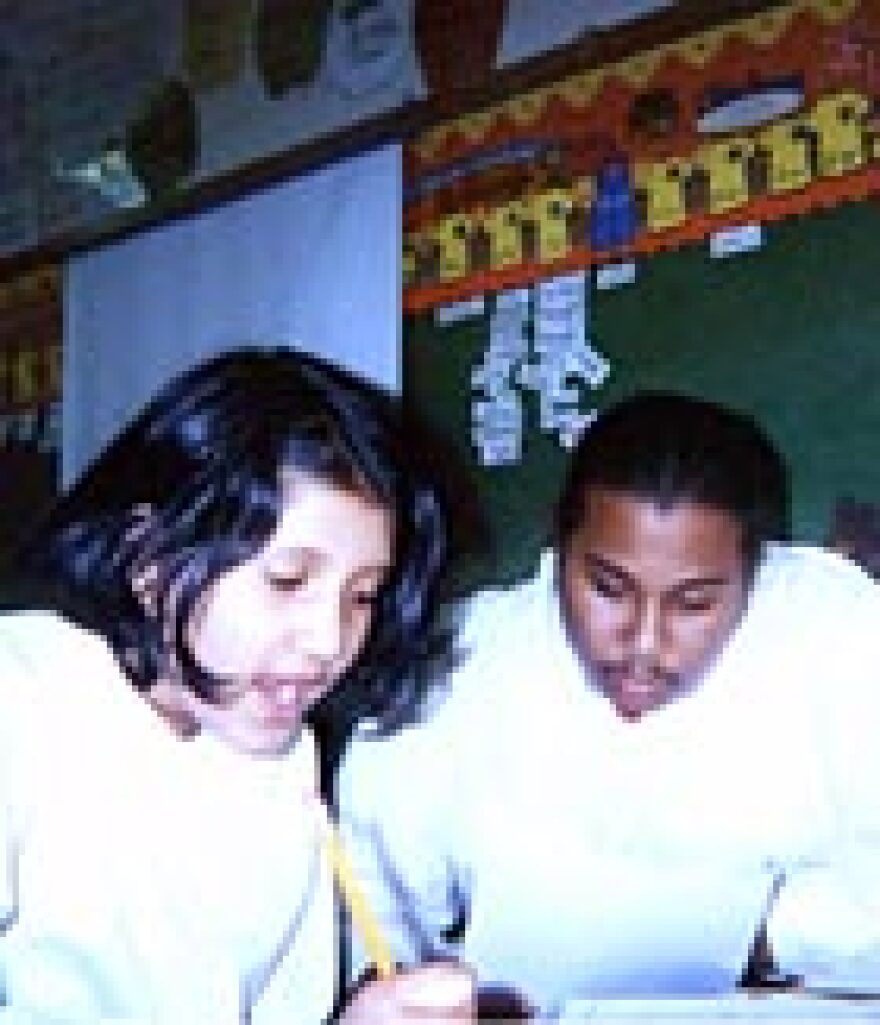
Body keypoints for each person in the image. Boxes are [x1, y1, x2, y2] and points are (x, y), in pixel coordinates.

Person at [339, 392, 880, 1017]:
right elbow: (374, 914)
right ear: (558, 544)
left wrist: (755, 936)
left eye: (694, 602)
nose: (645, 644)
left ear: (756, 572)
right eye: (608, 588)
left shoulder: (838, 632)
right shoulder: (459, 666)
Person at [0, 347, 474, 1024]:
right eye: (287, 579)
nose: (329, 640)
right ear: (152, 560)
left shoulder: (282, 757)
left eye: (363, 594)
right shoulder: (22, 696)